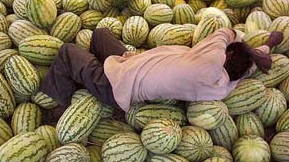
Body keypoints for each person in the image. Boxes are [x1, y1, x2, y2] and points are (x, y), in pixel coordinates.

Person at [39, 27, 284, 113]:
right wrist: (269, 45)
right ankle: (86, 74)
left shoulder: (208, 61)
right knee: (101, 34)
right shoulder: (224, 84)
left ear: (226, 54)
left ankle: (61, 100)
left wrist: (253, 51)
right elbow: (254, 66)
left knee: (67, 51)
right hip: (130, 62)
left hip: (116, 85)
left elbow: (226, 32)